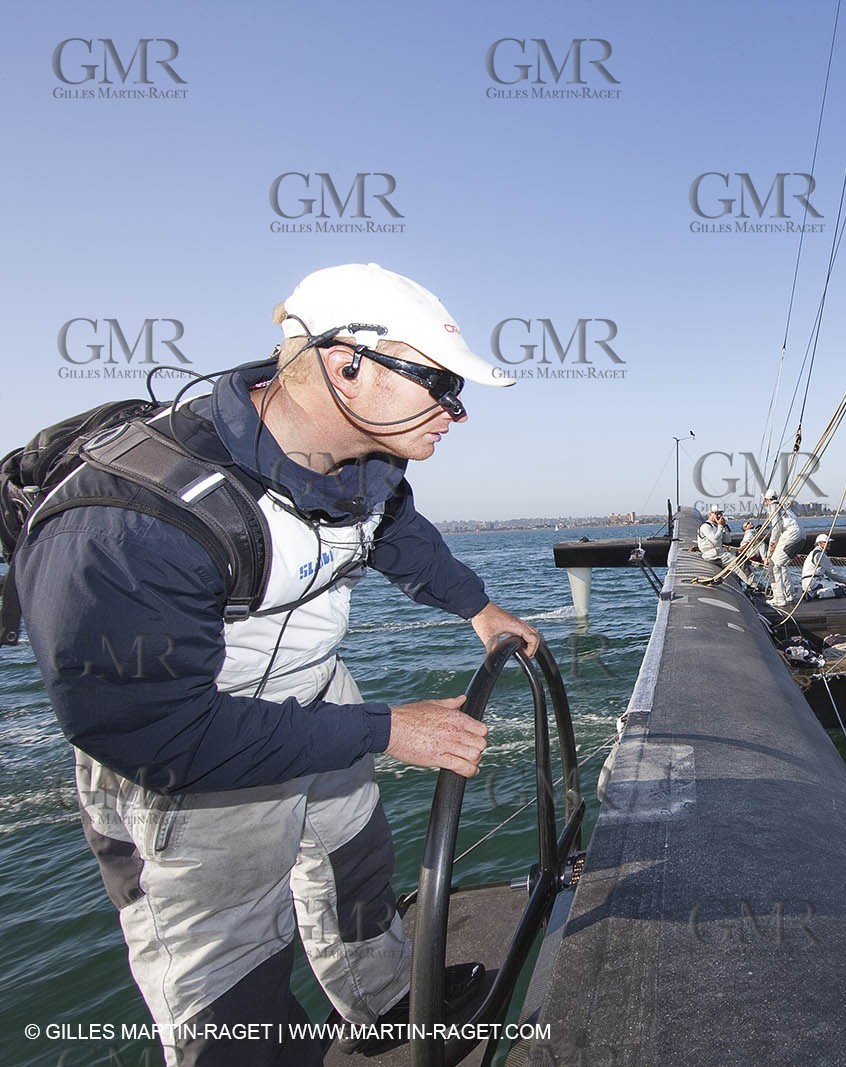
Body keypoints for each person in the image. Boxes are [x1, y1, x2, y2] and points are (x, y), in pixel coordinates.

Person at [12, 263, 543, 1067]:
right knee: (233, 980)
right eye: (438, 382)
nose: (455, 412)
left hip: (313, 692)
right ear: (346, 366)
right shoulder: (131, 523)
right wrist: (384, 728)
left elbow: (393, 528)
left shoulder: (369, 463)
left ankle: (385, 1000)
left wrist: (476, 605)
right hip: (195, 752)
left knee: (355, 861)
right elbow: (157, 733)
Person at [764, 492, 805, 607]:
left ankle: (779, 599)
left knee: (773, 566)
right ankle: (789, 594)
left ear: (765, 500)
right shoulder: (783, 507)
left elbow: (776, 529)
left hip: (791, 534)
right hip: (801, 535)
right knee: (781, 565)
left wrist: (769, 553)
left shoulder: (772, 506)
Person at [696, 506, 754, 586]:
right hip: (713, 555)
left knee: (743, 559)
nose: (719, 516)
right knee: (739, 563)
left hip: (719, 553)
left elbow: (727, 540)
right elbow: (715, 541)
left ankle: (749, 583)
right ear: (710, 514)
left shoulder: (716, 526)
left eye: (720, 514)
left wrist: (724, 527)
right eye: (717, 514)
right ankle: (754, 585)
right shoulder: (705, 527)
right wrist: (720, 526)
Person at [800, 534, 846, 599]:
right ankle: (814, 594)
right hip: (813, 582)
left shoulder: (813, 553)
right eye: (827, 542)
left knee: (840, 586)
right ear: (819, 543)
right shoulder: (820, 555)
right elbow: (832, 572)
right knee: (839, 590)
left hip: (809, 582)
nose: (829, 544)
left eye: (829, 543)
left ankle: (812, 592)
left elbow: (828, 573)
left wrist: (844, 582)